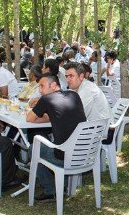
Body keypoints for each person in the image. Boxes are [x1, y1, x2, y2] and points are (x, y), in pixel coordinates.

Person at [26, 73, 87, 201]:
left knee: (34, 148)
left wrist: (44, 117)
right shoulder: (74, 95)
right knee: (55, 143)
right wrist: (47, 117)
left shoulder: (47, 99)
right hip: (85, 153)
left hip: (65, 158)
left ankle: (50, 190)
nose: (40, 90)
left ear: (54, 85)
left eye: (42, 86)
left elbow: (30, 118)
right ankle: (63, 185)